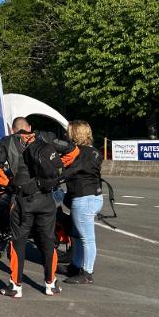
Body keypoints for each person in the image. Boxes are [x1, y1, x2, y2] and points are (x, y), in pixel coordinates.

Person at [0, 117, 77, 298]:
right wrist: (54, 172)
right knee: (47, 241)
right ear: (30, 127)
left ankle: (15, 287)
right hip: (46, 198)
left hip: (22, 199)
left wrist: (9, 184)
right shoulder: (45, 137)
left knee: (18, 242)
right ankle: (51, 284)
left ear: (12, 130)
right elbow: (73, 151)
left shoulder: (6, 141)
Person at [60, 120, 104, 284]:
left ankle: (87, 273)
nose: (66, 134)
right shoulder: (94, 151)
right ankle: (75, 266)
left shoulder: (78, 153)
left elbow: (69, 171)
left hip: (83, 197)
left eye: (68, 132)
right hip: (93, 196)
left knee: (86, 238)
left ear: (74, 134)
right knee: (78, 235)